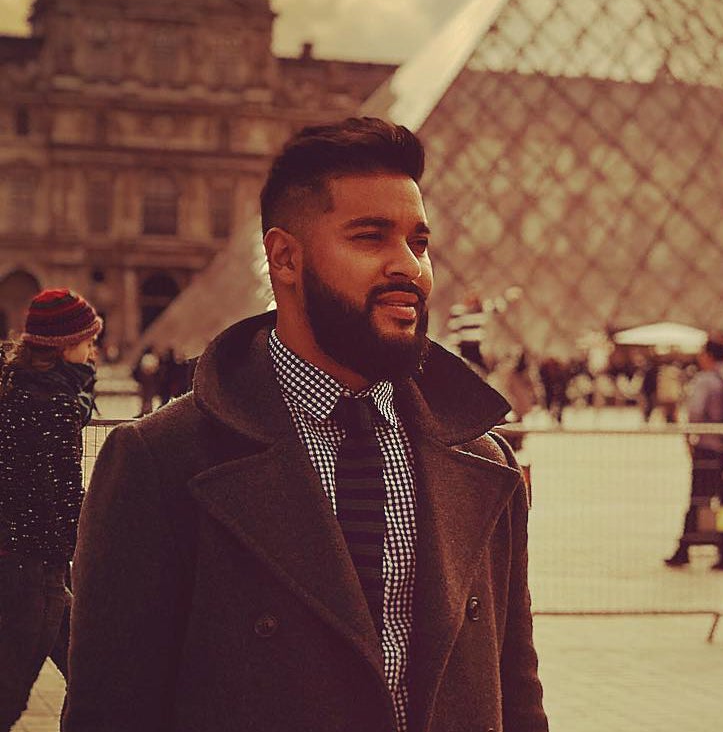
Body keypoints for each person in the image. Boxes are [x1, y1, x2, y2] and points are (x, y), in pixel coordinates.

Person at [63, 118, 547, 732]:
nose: (410, 267)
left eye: (419, 243)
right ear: (285, 258)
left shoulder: (485, 461)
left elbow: (517, 690)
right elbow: (112, 711)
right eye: (371, 237)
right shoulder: (159, 462)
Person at [0, 288, 101, 730]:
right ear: (64, 345)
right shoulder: (56, 403)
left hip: (21, 556)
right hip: (36, 565)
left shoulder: (13, 388)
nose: (94, 348)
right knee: (10, 688)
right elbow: (62, 489)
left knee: (89, 669)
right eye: (88, 340)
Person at [664, 340, 723, 571]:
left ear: (707, 355)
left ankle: (685, 548)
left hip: (709, 447)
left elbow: (696, 411)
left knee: (698, 499)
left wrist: (690, 438)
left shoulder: (706, 379)